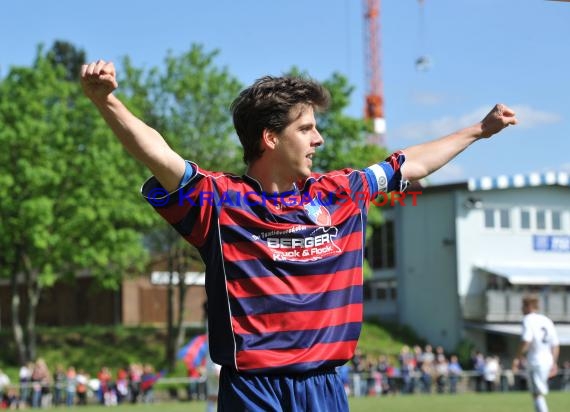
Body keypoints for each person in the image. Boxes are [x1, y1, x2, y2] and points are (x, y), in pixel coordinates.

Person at [80, 59, 517, 411]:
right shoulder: (220, 202)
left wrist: (478, 131)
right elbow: (160, 155)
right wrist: (107, 102)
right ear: (270, 138)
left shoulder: (342, 193)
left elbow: (408, 164)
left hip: (325, 386)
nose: (319, 139)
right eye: (306, 128)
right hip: (254, 391)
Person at [517, 294, 559, 412]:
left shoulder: (528, 319)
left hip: (535, 361)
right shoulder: (546, 320)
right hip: (547, 360)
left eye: (523, 306)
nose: (521, 309)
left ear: (528, 306)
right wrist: (554, 362)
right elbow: (555, 344)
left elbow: (526, 340)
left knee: (537, 394)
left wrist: (518, 357)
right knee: (538, 393)